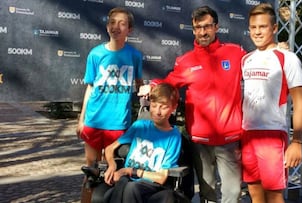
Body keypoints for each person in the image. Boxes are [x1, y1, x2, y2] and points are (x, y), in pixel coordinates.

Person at [138, 5, 246, 203]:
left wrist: (275, 50)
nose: (202, 32)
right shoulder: (186, 61)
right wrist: (152, 86)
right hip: (200, 139)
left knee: (232, 192)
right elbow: (169, 82)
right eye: (198, 28)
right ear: (193, 29)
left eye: (207, 26)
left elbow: (257, 62)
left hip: (229, 138)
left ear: (216, 27)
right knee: (207, 192)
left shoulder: (235, 53)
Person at [241, 3, 302, 203]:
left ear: (275, 28)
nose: (257, 32)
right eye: (253, 27)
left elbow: (299, 103)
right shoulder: (246, 59)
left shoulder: (288, 58)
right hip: (247, 134)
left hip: (272, 134)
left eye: (263, 27)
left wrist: (297, 141)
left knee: (274, 194)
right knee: (254, 191)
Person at [76, 7, 143, 202]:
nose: (116, 27)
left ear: (129, 29)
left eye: (122, 23)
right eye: (113, 22)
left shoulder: (135, 56)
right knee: (91, 173)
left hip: (119, 125)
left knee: (112, 175)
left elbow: (140, 87)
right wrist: (81, 120)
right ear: (107, 27)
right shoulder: (96, 54)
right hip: (94, 121)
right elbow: (89, 88)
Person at [104, 83, 182, 203]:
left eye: (163, 107)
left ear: (173, 107)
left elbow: (161, 178)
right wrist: (112, 165)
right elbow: (110, 148)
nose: (157, 111)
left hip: (151, 185)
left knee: (130, 188)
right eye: (154, 106)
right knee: (116, 187)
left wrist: (130, 171)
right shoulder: (139, 126)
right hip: (126, 179)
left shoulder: (173, 136)